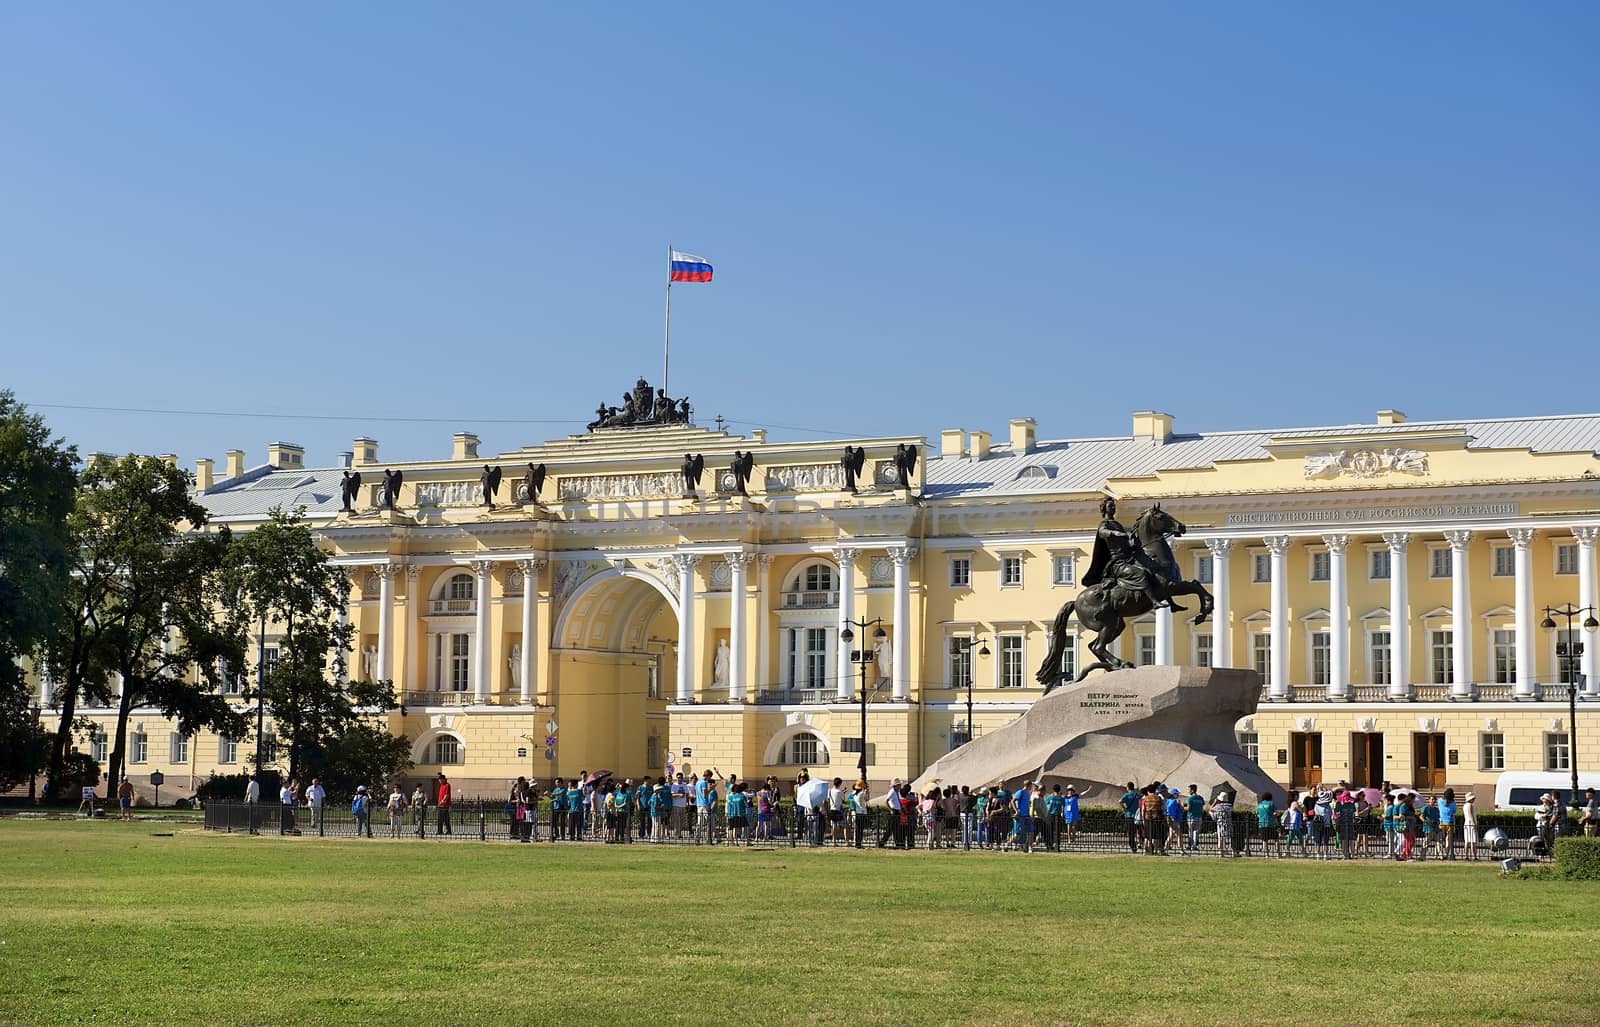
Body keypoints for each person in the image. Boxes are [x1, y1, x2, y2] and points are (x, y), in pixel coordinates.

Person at [1208, 790, 1234, 857]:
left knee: (1221, 837)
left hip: (1220, 824)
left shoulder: (1217, 807)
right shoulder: (1230, 806)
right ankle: (1232, 851)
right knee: (1230, 837)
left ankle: (1221, 852)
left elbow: (1210, 809)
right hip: (1228, 823)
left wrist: (1214, 802)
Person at [1256, 790, 1279, 858]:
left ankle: (1266, 854)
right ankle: (1278, 853)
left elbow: (1257, 814)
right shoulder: (1271, 804)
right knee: (1276, 839)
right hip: (1271, 823)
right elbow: (1276, 813)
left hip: (1262, 823)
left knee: (1264, 840)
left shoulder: (1260, 805)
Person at [1043, 785, 1066, 852]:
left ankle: (1051, 845)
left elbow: (1045, 804)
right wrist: (1063, 813)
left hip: (1051, 815)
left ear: (1053, 790)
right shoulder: (1061, 798)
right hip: (1057, 815)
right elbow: (1064, 806)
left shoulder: (1050, 797)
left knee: (1051, 831)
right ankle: (1057, 846)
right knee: (1057, 832)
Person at [1120, 782, 1141, 854]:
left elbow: (1120, 801)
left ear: (1127, 787)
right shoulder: (1137, 795)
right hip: (1136, 816)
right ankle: (1139, 844)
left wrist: (1124, 808)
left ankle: (1133, 846)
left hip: (1129, 815)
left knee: (1130, 833)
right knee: (1137, 831)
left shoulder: (1127, 795)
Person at [1437, 788, 1457, 860]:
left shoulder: (1440, 801)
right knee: (1444, 839)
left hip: (1447, 822)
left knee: (1446, 839)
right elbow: (1454, 811)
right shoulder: (1451, 803)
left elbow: (1454, 812)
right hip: (1445, 822)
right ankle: (1443, 853)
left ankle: (1445, 853)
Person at [850, 781, 870, 848]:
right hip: (862, 812)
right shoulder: (862, 793)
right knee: (860, 830)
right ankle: (859, 843)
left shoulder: (854, 793)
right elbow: (867, 799)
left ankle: (857, 843)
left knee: (858, 829)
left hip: (857, 812)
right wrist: (867, 791)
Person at [827, 778, 847, 846]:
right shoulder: (839, 792)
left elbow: (829, 798)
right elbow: (843, 799)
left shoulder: (829, 791)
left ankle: (834, 841)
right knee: (845, 825)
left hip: (832, 809)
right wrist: (843, 793)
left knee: (833, 826)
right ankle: (846, 841)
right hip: (838, 810)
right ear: (839, 784)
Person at [1461, 792, 1479, 861]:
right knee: (1472, 840)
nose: (1474, 799)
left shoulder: (1465, 805)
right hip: (1470, 824)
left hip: (1467, 823)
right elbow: (1470, 815)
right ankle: (1474, 856)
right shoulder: (1470, 805)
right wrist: (1474, 823)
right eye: (1473, 798)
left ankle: (1466, 855)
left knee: (1467, 840)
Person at [671, 773, 689, 837]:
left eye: (681, 777)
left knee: (682, 820)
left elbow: (687, 794)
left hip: (683, 805)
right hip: (676, 805)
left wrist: (687, 803)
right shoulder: (674, 785)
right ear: (676, 778)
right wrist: (679, 795)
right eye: (678, 777)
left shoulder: (685, 785)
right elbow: (672, 795)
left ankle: (680, 833)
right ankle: (676, 834)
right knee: (676, 820)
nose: (679, 779)